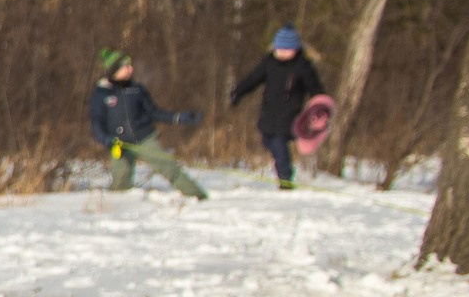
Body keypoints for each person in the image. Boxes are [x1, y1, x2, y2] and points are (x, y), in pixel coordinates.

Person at [88, 48, 207, 199]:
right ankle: (116, 212)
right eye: (126, 66)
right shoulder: (101, 93)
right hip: (119, 144)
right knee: (120, 180)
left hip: (144, 138)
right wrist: (106, 139)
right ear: (115, 70)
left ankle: (199, 197)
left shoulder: (137, 89)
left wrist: (180, 117)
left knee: (169, 168)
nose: (130, 69)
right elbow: (96, 122)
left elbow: (154, 112)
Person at [229, 27, 329, 189]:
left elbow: (315, 88)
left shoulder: (302, 66)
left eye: (286, 49)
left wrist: (321, 105)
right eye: (279, 48)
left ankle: (285, 179)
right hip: (269, 111)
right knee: (267, 139)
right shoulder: (269, 62)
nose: (282, 52)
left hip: (290, 114)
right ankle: (284, 174)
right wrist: (238, 92)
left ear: (295, 49)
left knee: (279, 143)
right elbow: (253, 79)